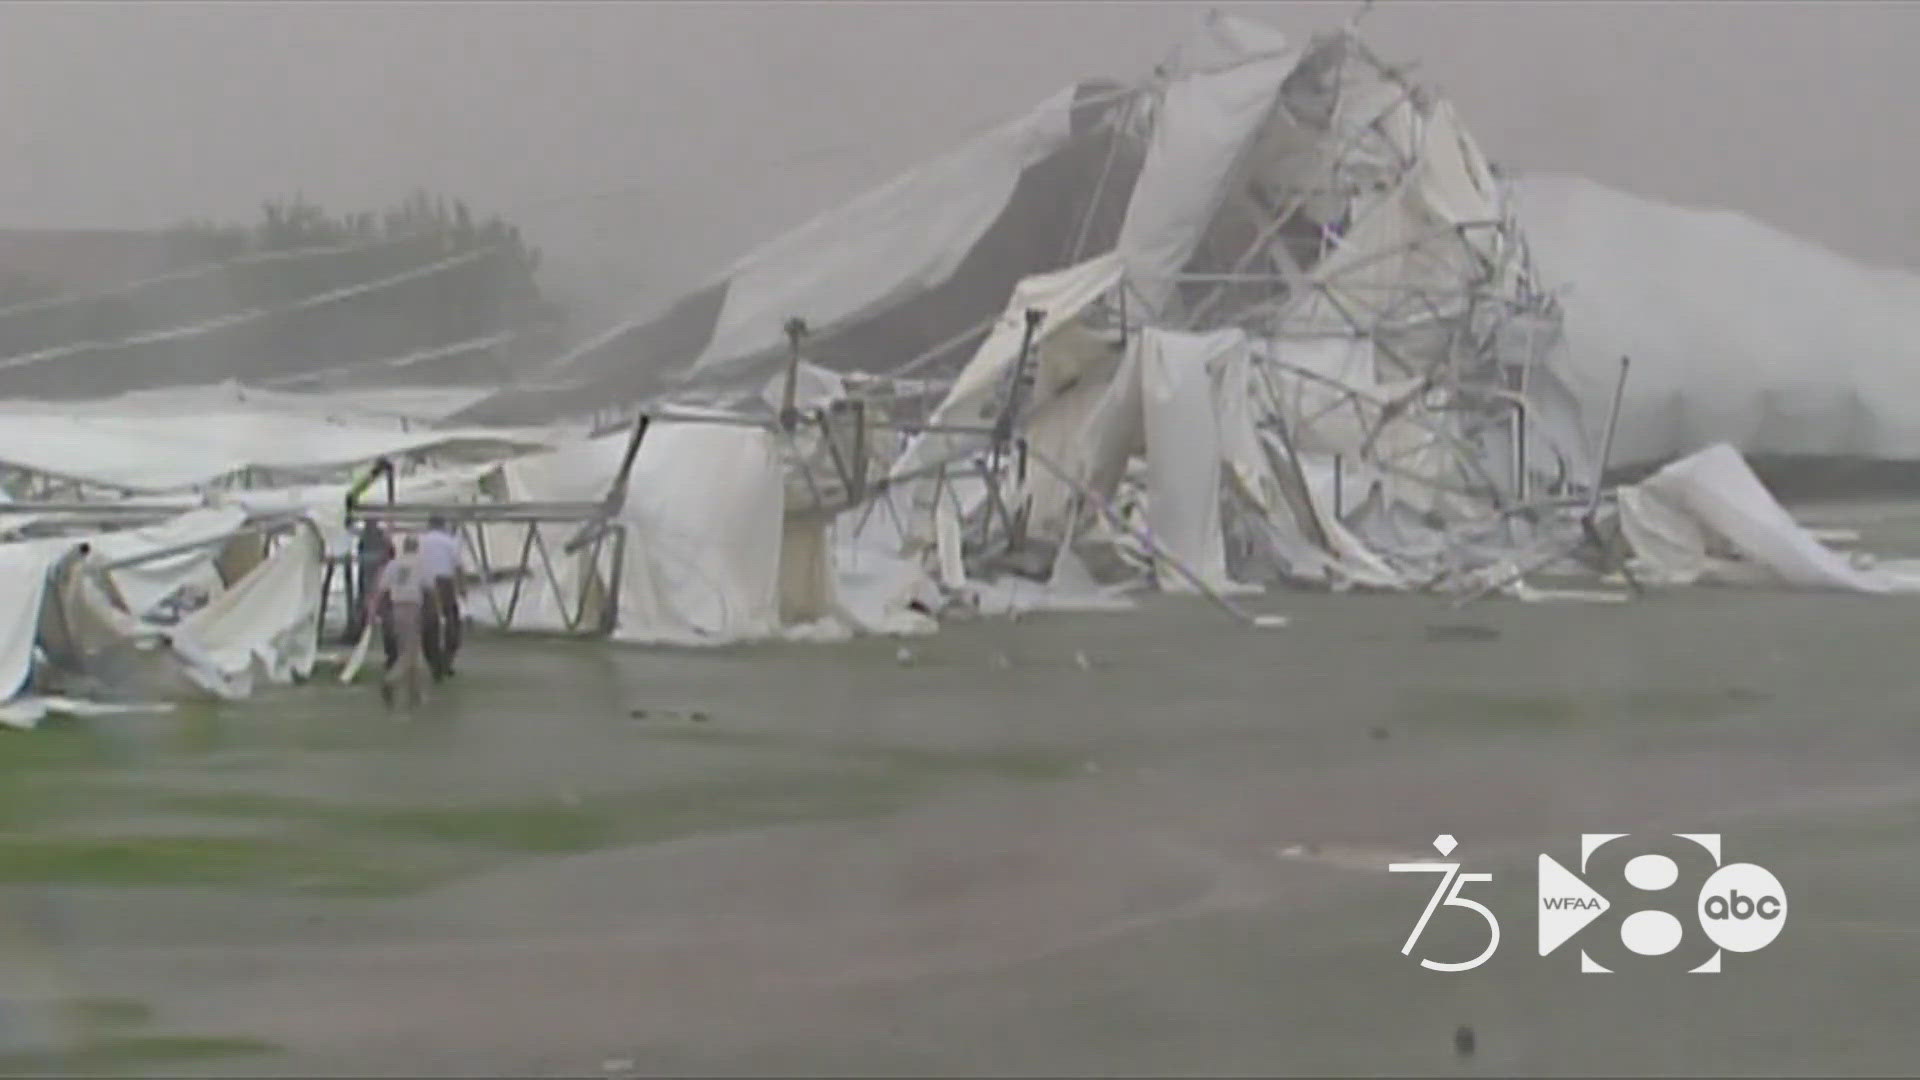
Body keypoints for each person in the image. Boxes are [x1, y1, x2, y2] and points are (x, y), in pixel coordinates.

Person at [364, 534, 434, 710]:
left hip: (397, 608)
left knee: (408, 649)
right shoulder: (420, 564)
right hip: (412, 607)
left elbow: (381, 590)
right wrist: (437, 610)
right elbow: (429, 588)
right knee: (411, 652)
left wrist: (372, 610)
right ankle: (391, 680)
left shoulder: (393, 565)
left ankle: (416, 693)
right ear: (417, 547)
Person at [419, 515, 465, 678]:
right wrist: (462, 588)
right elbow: (458, 566)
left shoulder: (421, 541)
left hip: (425, 586)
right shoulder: (449, 541)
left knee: (428, 626)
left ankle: (433, 662)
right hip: (445, 583)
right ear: (443, 525)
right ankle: (446, 660)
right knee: (452, 622)